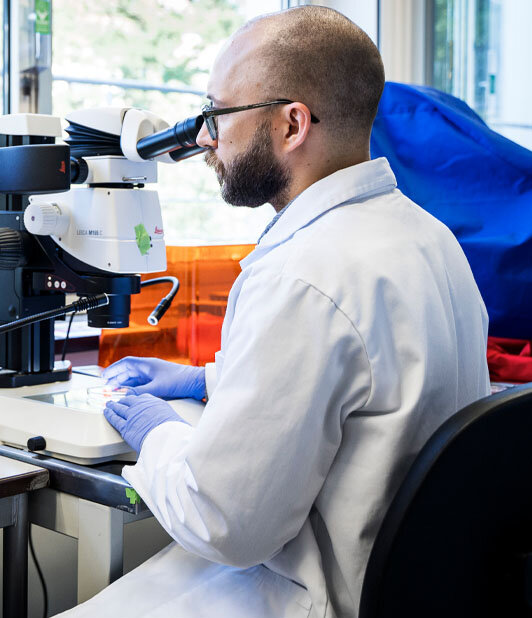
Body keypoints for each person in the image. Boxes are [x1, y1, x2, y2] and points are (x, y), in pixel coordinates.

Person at [61, 6, 490, 618]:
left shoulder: (304, 272)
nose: (206, 139)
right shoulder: (430, 239)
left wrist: (156, 433)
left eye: (218, 114)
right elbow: (378, 383)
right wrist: (210, 380)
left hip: (311, 595)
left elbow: (223, 523)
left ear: (292, 125)